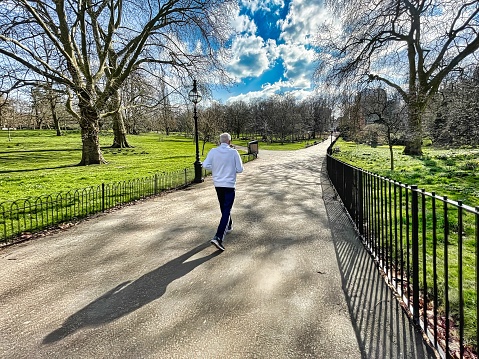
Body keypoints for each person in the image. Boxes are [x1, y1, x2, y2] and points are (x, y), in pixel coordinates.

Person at [202, 133, 244, 251]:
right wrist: (231, 169)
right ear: (229, 142)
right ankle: (218, 237)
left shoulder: (213, 151)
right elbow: (240, 169)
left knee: (223, 207)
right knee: (226, 209)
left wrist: (215, 168)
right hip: (229, 184)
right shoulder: (233, 152)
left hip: (218, 184)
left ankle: (229, 225)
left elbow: (205, 165)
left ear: (220, 141)